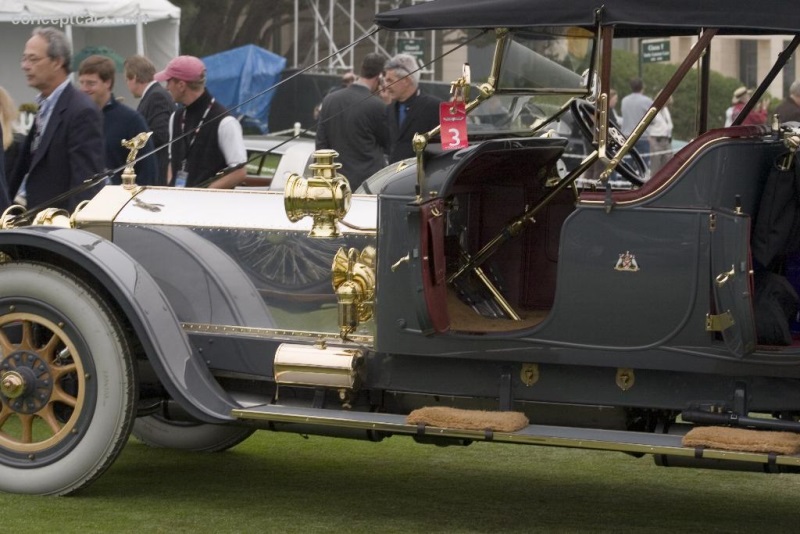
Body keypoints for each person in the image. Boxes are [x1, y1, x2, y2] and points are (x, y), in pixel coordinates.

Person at [8, 27, 105, 212]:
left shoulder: (81, 111)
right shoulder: (46, 105)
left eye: (33, 59)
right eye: (24, 58)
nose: (25, 65)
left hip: (57, 230)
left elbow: (85, 186)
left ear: (57, 62)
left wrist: (69, 234)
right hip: (37, 224)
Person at [154, 55, 247, 188]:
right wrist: (172, 184)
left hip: (210, 206)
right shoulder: (175, 117)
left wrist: (207, 192)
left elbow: (239, 172)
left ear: (181, 85)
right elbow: (171, 161)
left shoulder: (225, 122)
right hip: (178, 203)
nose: (167, 87)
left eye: (169, 81)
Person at [78, 55, 158, 186]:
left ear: (108, 82)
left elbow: (148, 172)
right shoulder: (78, 120)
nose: (84, 89)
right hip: (82, 203)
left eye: (91, 83)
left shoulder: (131, 120)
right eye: (81, 83)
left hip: (118, 202)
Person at [315, 53, 389, 191]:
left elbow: (321, 144)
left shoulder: (330, 100)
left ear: (362, 68)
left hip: (335, 185)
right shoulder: (378, 106)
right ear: (380, 76)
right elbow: (389, 143)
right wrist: (388, 105)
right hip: (369, 185)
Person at [124, 54, 175, 185]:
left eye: (126, 80)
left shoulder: (156, 96)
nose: (127, 85)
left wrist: (131, 142)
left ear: (134, 77)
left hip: (158, 174)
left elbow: (160, 135)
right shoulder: (153, 95)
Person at [382, 54, 443, 164]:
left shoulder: (435, 107)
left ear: (406, 80)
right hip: (394, 176)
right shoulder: (389, 110)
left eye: (390, 80)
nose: (385, 85)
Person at [620, 78, 654, 165]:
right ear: (642, 87)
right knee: (643, 164)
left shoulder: (624, 100)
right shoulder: (647, 101)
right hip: (642, 136)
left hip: (627, 136)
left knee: (627, 164)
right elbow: (653, 118)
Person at [648, 96, 673, 175]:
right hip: (656, 140)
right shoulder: (653, 110)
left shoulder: (666, 110)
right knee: (655, 167)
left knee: (668, 166)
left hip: (667, 140)